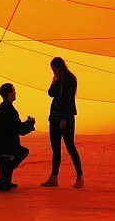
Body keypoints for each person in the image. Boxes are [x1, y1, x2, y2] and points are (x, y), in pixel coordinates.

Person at [41, 56, 83, 188]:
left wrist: (64, 118)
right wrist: (54, 82)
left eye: (54, 69)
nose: (54, 72)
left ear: (60, 67)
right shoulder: (58, 79)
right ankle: (54, 177)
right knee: (56, 148)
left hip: (66, 116)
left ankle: (80, 176)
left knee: (70, 146)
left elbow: (69, 99)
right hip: (54, 116)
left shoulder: (71, 79)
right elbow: (51, 93)